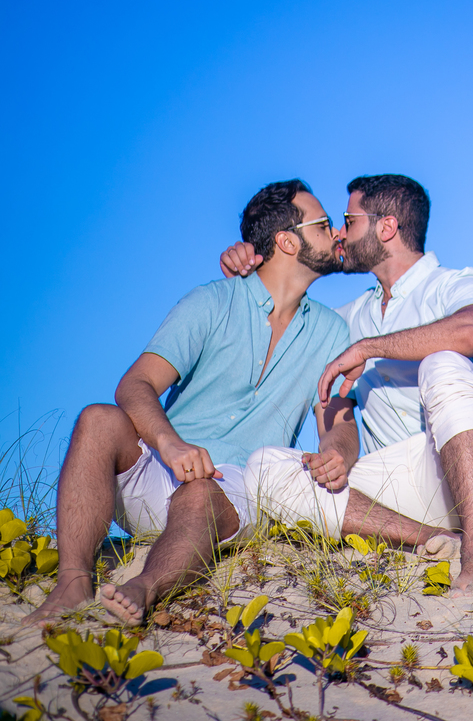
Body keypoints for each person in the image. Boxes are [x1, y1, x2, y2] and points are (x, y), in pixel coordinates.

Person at [25, 180, 355, 626]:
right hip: (161, 470)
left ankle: (144, 588)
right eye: (325, 224)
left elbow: (336, 419)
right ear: (287, 240)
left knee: (201, 493)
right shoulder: (211, 301)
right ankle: (73, 581)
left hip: (236, 488)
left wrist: (337, 451)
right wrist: (169, 444)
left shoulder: (333, 332)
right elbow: (135, 383)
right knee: (98, 418)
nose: (336, 233)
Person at [220, 174, 473, 597]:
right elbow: (281, 321)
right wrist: (250, 269)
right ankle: (431, 539)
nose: (339, 233)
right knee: (265, 468)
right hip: (398, 491)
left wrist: (371, 347)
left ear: (386, 227)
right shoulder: (344, 319)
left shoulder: (455, 283)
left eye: (348, 219)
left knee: (443, 363)